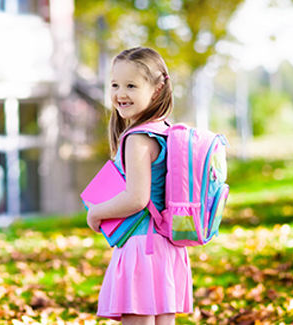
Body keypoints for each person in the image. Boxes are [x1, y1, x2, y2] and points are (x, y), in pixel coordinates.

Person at [86, 47, 193, 325]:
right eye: (115, 84)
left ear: (157, 89)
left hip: (140, 247)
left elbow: (136, 197)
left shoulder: (137, 138)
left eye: (131, 85)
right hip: (166, 246)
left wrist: (96, 212)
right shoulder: (165, 130)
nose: (121, 93)